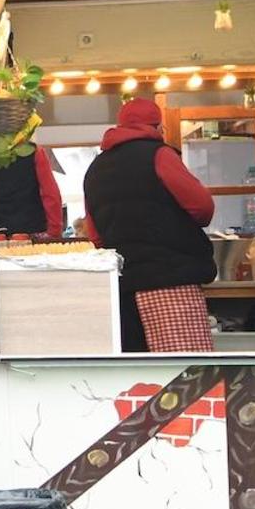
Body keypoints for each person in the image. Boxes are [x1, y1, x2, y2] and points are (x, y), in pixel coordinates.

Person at [84, 98, 217, 352]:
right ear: (158, 127)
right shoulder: (160, 155)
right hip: (171, 283)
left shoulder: (95, 169)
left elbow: (96, 237)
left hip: (123, 290)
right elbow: (203, 208)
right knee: (185, 377)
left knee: (139, 376)